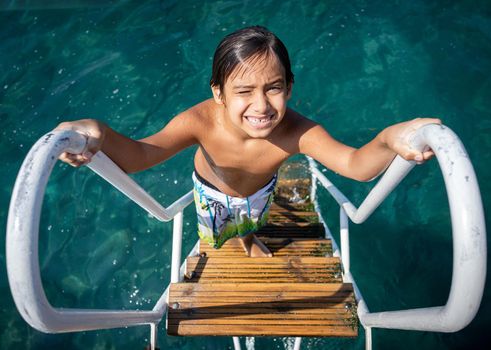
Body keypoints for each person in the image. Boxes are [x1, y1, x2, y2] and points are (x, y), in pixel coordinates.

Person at [56, 26, 440, 257]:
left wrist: (388, 139)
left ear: (289, 87)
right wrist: (100, 133)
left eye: (273, 89)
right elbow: (140, 155)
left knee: (253, 220)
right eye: (244, 91)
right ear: (219, 93)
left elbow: (356, 166)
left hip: (260, 191)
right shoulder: (200, 121)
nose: (261, 106)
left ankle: (249, 238)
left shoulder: (297, 131)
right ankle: (237, 241)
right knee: (216, 231)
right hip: (211, 191)